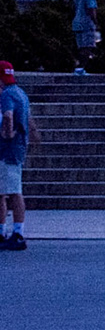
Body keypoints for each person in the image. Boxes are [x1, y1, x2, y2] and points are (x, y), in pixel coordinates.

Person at [0, 60, 38, 250]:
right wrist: (34, 134)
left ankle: (16, 233)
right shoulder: (21, 93)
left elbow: (7, 115)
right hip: (18, 149)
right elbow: (29, 119)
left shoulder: (6, 95)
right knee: (6, 191)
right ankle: (7, 231)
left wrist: (7, 133)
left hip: (8, 151)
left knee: (12, 192)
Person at [71, 0, 99, 73]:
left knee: (80, 46)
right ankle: (82, 68)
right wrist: (96, 22)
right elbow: (91, 9)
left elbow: (73, 9)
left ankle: (78, 66)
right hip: (87, 23)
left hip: (77, 23)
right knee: (88, 46)